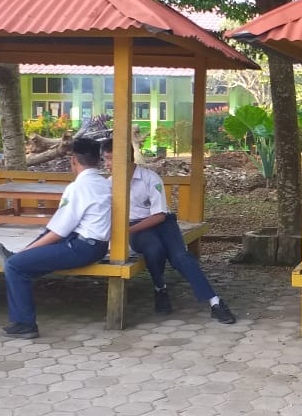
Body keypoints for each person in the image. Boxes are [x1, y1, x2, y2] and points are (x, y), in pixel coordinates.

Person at [101, 138, 236, 324]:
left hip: (161, 222)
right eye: (105, 159)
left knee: (181, 257)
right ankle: (160, 289)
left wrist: (127, 230)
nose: (107, 164)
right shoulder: (109, 184)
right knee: (153, 248)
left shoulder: (149, 178)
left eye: (110, 158)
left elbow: (159, 216)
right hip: (136, 228)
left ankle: (215, 302)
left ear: (126, 158)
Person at [0, 137, 111, 339]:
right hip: (97, 245)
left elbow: (59, 231)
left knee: (15, 266)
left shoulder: (78, 187)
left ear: (73, 160)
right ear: (98, 160)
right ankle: (20, 257)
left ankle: (24, 324)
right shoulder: (104, 183)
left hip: (83, 247)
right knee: (40, 244)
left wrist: (25, 252)